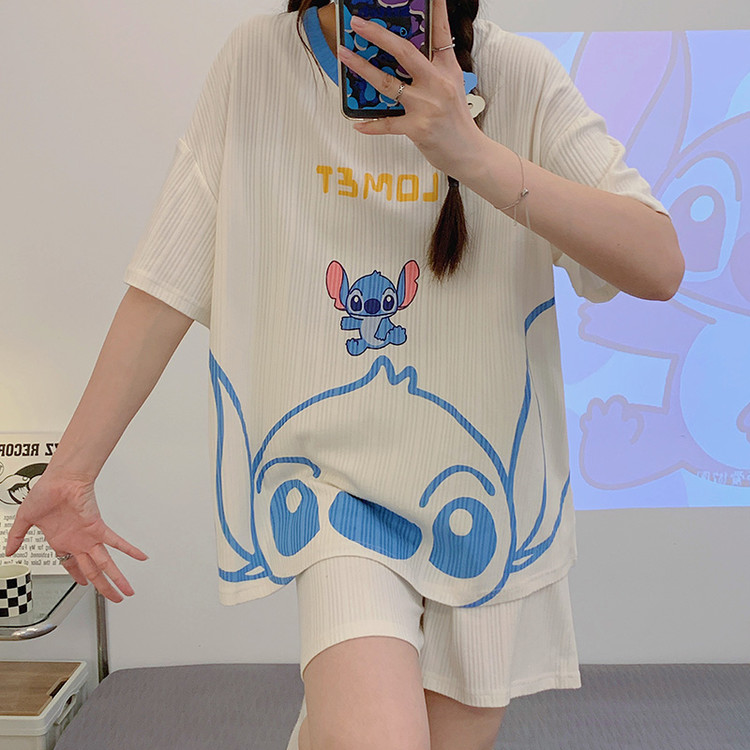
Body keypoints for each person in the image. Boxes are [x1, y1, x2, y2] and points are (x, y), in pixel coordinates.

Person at [4, 1, 684, 748]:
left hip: (484, 489)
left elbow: (658, 264)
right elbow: (167, 279)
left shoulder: (518, 75)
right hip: (334, 486)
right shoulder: (258, 63)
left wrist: (473, 155)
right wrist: (72, 470)